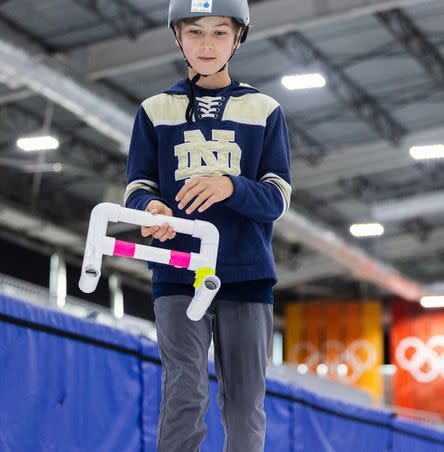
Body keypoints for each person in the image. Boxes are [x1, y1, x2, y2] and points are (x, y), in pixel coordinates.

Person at [123, 0, 292, 450]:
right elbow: (137, 185)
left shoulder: (265, 110)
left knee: (244, 403)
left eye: (220, 32)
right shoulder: (155, 110)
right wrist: (151, 209)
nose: (207, 43)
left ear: (238, 38)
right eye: (195, 31)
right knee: (184, 392)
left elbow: (277, 197)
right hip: (177, 270)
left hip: (247, 274)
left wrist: (231, 187)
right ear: (178, 36)